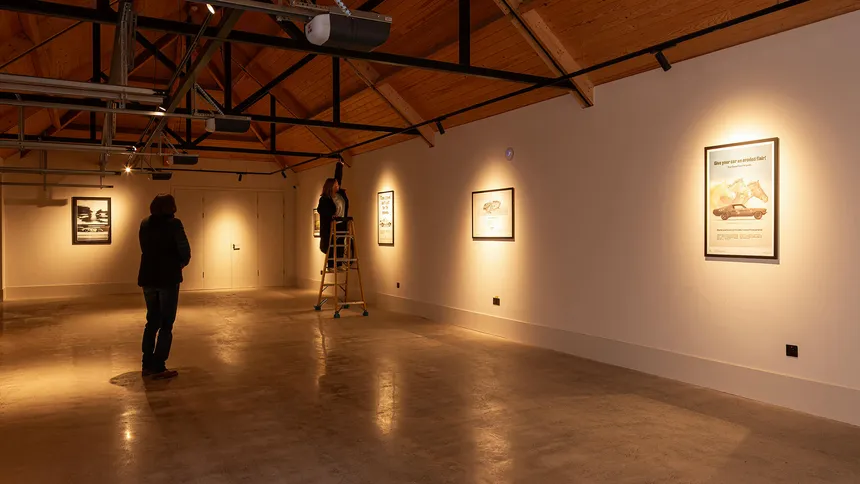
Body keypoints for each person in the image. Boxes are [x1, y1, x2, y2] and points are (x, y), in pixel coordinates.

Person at [138, 194, 191, 379]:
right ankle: (159, 366)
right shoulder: (174, 224)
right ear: (172, 207)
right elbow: (184, 249)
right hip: (168, 277)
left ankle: (146, 364)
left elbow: (144, 248)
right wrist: (182, 262)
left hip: (148, 276)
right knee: (166, 323)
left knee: (152, 321)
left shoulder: (145, 223)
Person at [317, 161, 349, 269]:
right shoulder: (325, 199)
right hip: (331, 225)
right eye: (335, 184)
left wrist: (339, 165)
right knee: (332, 244)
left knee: (340, 243)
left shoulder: (340, 195)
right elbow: (321, 210)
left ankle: (339, 264)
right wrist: (331, 216)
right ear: (331, 186)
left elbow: (338, 177)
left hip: (341, 223)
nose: (337, 185)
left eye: (337, 183)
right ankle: (330, 264)